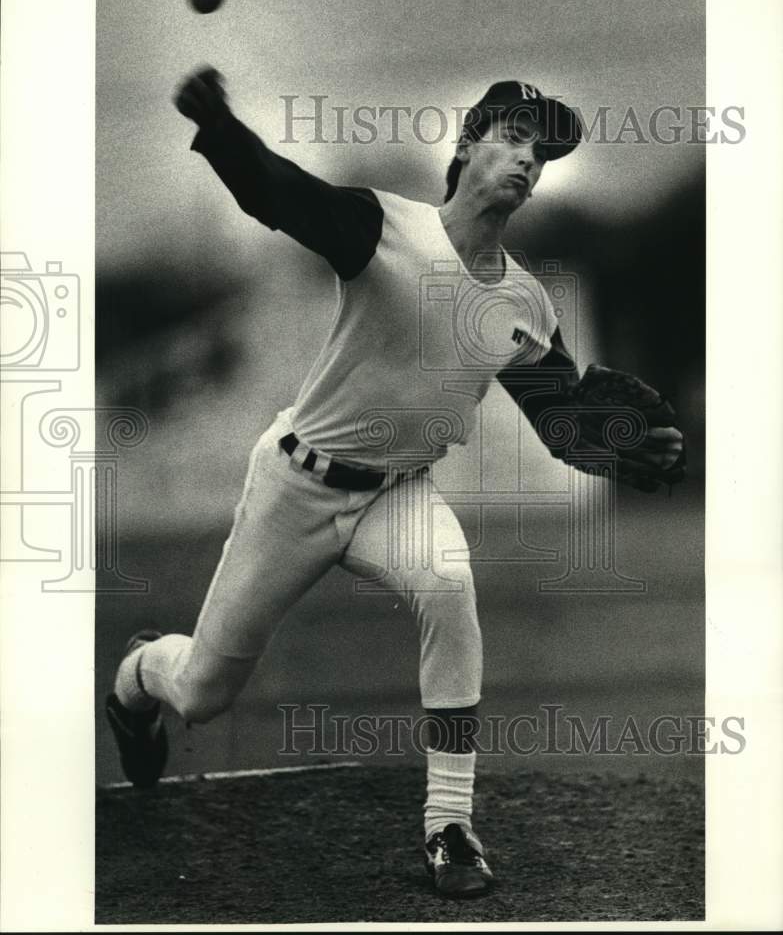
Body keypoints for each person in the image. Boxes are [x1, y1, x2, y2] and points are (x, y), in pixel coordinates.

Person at [106, 69, 684, 899]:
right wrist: (224, 133)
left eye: (542, 150)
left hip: (397, 494)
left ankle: (449, 824)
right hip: (295, 486)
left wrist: (618, 443)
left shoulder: (524, 300)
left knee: (449, 584)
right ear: (465, 148)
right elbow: (280, 195)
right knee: (201, 691)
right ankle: (136, 680)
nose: (528, 159)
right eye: (512, 137)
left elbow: (562, 422)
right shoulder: (383, 226)